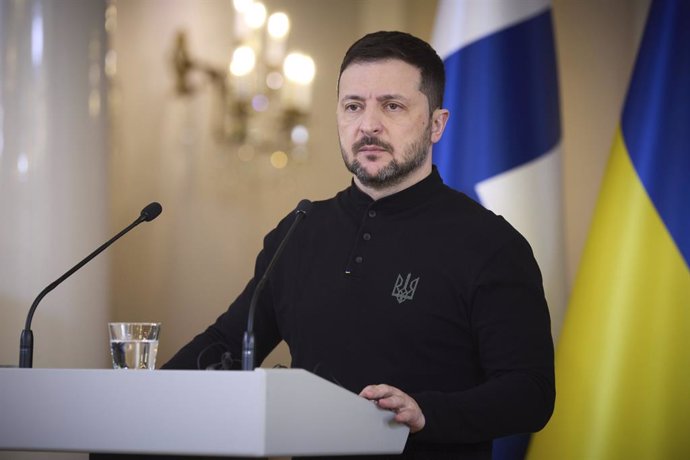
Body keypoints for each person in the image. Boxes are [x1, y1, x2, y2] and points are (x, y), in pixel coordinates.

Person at [163, 31, 555, 459]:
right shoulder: (299, 231)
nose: (368, 124)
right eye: (353, 106)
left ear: (437, 124)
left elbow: (530, 393)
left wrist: (428, 413)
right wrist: (142, 395)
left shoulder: (491, 243)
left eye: (392, 106)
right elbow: (228, 344)